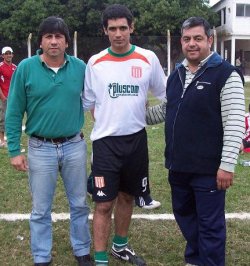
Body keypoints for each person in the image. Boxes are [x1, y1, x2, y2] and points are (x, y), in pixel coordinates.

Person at [82, 4, 166, 266]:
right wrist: (110, 117)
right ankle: (100, 259)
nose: (118, 34)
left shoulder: (148, 58)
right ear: (105, 31)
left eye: (123, 28)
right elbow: (89, 103)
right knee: (104, 204)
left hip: (136, 141)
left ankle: (120, 246)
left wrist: (142, 116)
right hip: (106, 143)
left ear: (132, 27)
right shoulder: (95, 63)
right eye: (112, 29)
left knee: (128, 196)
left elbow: (166, 97)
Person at [5, 16, 92, 266]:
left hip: (74, 145)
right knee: (41, 208)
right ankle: (42, 256)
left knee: (79, 203)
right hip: (40, 148)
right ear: (41, 41)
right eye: (48, 37)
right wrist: (14, 150)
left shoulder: (80, 68)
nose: (54, 42)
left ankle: (82, 250)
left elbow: (94, 101)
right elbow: (13, 112)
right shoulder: (26, 68)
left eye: (59, 37)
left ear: (66, 42)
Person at [164, 17, 245, 266]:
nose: (192, 44)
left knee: (210, 225)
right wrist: (134, 112)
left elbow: (234, 123)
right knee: (185, 216)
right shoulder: (176, 74)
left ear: (210, 40)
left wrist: (227, 165)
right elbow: (169, 109)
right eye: (187, 39)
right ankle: (195, 258)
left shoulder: (226, 74)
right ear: (181, 41)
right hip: (178, 166)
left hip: (209, 170)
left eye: (198, 38)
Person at [0, 46, 17, 148]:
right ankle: (2, 140)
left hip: (13, 97)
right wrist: (2, 97)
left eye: (10, 53)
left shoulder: (15, 67)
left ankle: (10, 139)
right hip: (5, 97)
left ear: (12, 55)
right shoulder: (0, 67)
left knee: (13, 118)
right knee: (3, 117)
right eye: (6, 53)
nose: (8, 55)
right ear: (2, 55)